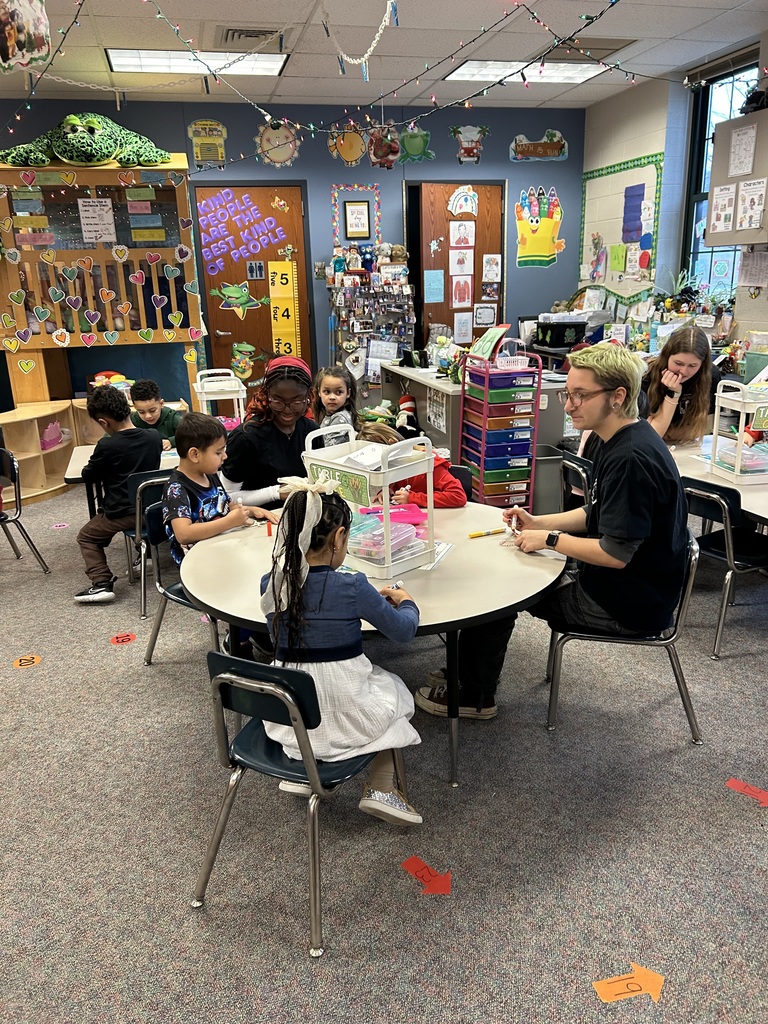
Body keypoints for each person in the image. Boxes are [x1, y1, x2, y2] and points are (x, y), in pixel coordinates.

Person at [415, 343, 689, 720]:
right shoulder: (624, 437)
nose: (569, 404)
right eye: (567, 393)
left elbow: (615, 553)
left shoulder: (630, 458)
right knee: (505, 567)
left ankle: (474, 696)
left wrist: (549, 540)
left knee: (497, 592)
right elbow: (599, 512)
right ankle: (467, 672)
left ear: (618, 397)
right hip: (624, 584)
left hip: (626, 604)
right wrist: (540, 521)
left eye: (580, 395)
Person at [260, 477, 423, 826]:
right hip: (347, 706)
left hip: (292, 719)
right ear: (338, 538)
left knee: (323, 691)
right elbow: (403, 632)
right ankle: (381, 788)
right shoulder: (352, 585)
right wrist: (406, 600)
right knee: (394, 691)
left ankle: (305, 769)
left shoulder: (271, 582)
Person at [74, 385, 162, 604]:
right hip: (152, 510)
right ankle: (146, 554)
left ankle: (101, 583)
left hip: (122, 512)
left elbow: (88, 475)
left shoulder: (107, 444)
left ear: (103, 422)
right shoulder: (154, 437)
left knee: (86, 536)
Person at [161, 413, 277, 566]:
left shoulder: (210, 475)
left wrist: (250, 510)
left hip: (223, 548)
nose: (225, 456)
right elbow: (183, 534)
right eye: (218, 452)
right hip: (198, 564)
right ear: (195, 454)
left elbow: (226, 506)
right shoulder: (176, 489)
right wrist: (229, 522)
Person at [220, 355, 315, 510]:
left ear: (308, 397)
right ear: (266, 395)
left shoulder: (311, 433)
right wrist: (276, 492)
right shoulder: (246, 438)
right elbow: (227, 496)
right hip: (257, 523)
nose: (287, 410)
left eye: (297, 402)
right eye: (278, 402)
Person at [357, 422, 467, 508]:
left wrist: (412, 498)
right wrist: (388, 490)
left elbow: (458, 496)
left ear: (393, 443)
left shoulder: (428, 462)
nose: (382, 467)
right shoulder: (395, 464)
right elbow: (398, 484)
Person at [643, 326, 720, 444]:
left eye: (692, 366)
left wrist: (667, 431)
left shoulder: (710, 376)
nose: (683, 372)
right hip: (651, 447)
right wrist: (673, 393)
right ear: (667, 356)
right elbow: (651, 436)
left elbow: (699, 430)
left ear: (702, 364)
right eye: (678, 363)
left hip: (684, 447)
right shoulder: (647, 375)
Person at [129, 378, 184, 451]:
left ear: (161, 404)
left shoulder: (172, 417)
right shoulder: (133, 421)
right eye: (141, 412)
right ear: (135, 407)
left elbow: (189, 435)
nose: (148, 416)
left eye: (152, 410)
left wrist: (171, 441)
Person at [312, 365, 358, 445]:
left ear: (348, 393)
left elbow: (329, 448)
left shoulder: (340, 418)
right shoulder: (329, 414)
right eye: (327, 391)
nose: (332, 397)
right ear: (319, 392)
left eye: (339, 392)